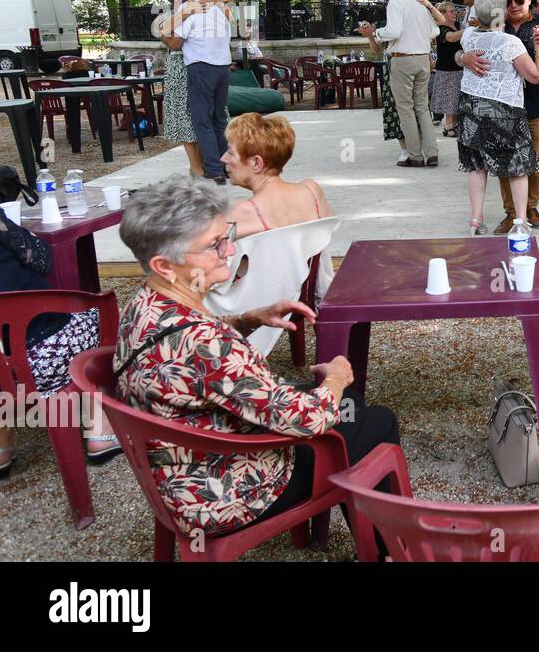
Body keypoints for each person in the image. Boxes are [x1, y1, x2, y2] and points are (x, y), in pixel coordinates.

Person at [114, 177, 399, 540]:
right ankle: (390, 548)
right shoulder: (206, 342)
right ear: (165, 265)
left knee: (351, 409)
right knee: (376, 422)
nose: (230, 252)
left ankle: (372, 532)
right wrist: (336, 377)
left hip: (178, 465)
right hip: (221, 489)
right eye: (214, 245)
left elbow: (189, 355)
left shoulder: (142, 306)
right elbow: (304, 418)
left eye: (227, 235)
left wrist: (246, 320)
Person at [0, 214, 119, 479]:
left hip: (3, 365)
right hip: (38, 358)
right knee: (97, 318)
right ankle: (100, 430)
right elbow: (42, 260)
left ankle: (1, 446)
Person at [459, 0, 539, 232]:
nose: (513, 5)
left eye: (518, 0)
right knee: (505, 162)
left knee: (537, 160)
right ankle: (513, 213)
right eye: (508, 1)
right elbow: (458, 49)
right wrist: (463, 58)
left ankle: (530, 207)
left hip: (535, 104)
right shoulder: (488, 26)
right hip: (505, 109)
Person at [455, 0, 539, 235]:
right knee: (516, 168)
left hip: (470, 107)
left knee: (476, 166)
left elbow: (457, 50)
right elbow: (536, 77)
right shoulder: (510, 42)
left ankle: (476, 220)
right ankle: (519, 221)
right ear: (502, 12)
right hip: (503, 111)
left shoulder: (470, 36)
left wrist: (462, 57)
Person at [359, 0, 439, 168]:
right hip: (422, 58)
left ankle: (415, 155)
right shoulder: (420, 3)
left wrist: (376, 33)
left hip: (403, 59)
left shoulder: (396, 3)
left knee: (405, 109)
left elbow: (394, 31)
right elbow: (435, 31)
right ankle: (431, 153)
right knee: (422, 107)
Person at [161, 0, 233, 184]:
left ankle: (214, 170)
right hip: (223, 67)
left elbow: (175, 43)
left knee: (202, 121)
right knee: (219, 119)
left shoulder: (188, 8)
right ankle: (227, 166)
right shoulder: (219, 6)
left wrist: (165, 34)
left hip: (201, 68)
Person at [222, 113, 333, 238]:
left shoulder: (242, 211)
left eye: (230, 152)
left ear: (257, 163)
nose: (223, 158)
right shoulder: (312, 191)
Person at [154, 0, 205, 177]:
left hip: (178, 65)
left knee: (183, 115)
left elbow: (169, 40)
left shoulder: (168, 16)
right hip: (198, 64)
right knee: (197, 115)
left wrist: (163, 35)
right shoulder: (198, 8)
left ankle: (196, 167)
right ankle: (201, 164)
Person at [429, 1, 463, 137]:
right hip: (447, 70)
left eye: (454, 11)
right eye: (451, 11)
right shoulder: (441, 28)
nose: (454, 13)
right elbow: (451, 38)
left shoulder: (457, 26)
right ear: (442, 14)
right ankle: (448, 126)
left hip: (458, 68)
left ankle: (454, 124)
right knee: (449, 99)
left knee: (456, 99)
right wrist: (471, 29)